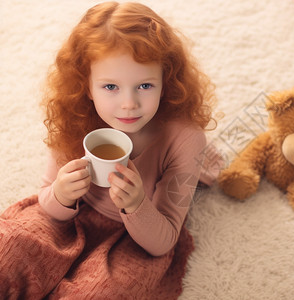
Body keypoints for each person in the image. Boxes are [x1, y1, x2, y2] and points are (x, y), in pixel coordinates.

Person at [0, 2, 219, 299]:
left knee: (100, 293)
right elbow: (47, 199)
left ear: (165, 82)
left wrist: (137, 203)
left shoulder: (185, 138)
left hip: (136, 237)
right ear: (87, 86)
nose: (129, 103)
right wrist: (62, 195)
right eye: (110, 87)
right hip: (72, 218)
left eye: (144, 85)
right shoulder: (76, 116)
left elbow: (163, 239)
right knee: (8, 249)